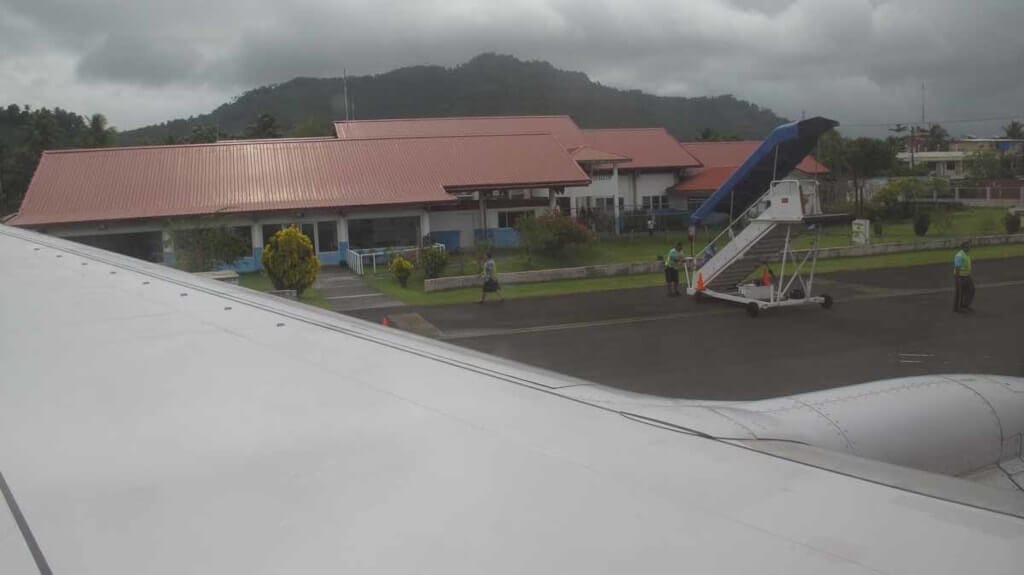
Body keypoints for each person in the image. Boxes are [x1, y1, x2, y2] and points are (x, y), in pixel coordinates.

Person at [953, 241, 974, 312]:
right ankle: (957, 308)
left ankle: (964, 305)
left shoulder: (965, 254)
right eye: (968, 246)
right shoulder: (959, 255)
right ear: (964, 247)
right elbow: (957, 268)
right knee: (959, 292)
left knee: (971, 290)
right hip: (960, 277)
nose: (970, 247)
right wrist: (958, 278)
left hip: (967, 276)